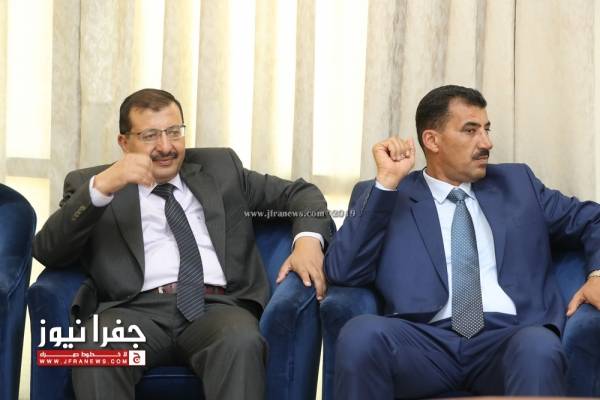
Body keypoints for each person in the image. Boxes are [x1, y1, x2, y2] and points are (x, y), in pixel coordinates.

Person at [33, 88, 332, 400]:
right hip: (132, 311)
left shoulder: (221, 169)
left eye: (174, 132)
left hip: (217, 308)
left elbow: (301, 194)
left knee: (241, 342)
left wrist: (307, 243)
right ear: (124, 142)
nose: (166, 147)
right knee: (97, 348)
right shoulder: (94, 183)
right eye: (150, 135)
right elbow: (48, 251)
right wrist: (103, 188)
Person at [325, 84, 600, 399]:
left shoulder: (518, 184)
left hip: (509, 338)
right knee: (360, 335)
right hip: (423, 342)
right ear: (432, 140)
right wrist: (386, 183)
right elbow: (343, 271)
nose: (486, 143)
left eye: (486, 129)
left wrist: (597, 274)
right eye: (471, 131)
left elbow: (593, 218)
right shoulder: (389, 195)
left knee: (538, 347)